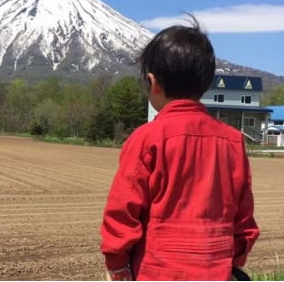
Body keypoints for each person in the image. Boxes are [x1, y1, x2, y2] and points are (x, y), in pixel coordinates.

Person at [99, 17, 260, 280]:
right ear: (206, 83)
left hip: (156, 271)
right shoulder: (232, 141)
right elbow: (243, 218)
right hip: (216, 272)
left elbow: (122, 209)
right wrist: (233, 260)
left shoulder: (146, 138)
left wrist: (117, 263)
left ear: (152, 83)